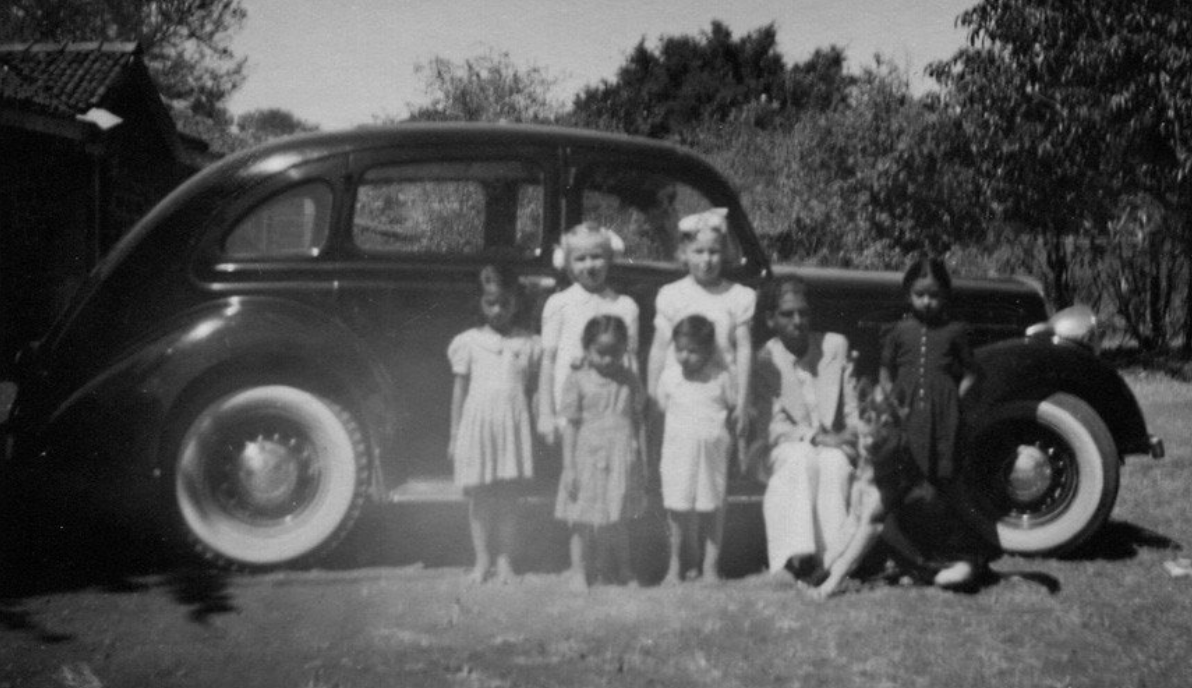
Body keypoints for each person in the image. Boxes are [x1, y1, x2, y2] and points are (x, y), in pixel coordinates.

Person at [876, 255, 983, 588]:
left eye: (934, 295)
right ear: (909, 294)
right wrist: (891, 399)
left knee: (935, 488)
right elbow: (884, 371)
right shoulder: (899, 331)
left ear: (945, 296)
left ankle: (939, 556)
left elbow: (971, 374)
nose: (927, 301)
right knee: (905, 487)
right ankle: (903, 558)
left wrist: (953, 399)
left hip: (941, 424)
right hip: (906, 420)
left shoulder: (955, 331)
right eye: (920, 294)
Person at [752, 277, 859, 584]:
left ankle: (834, 561)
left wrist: (852, 437)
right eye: (787, 314)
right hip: (786, 446)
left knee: (834, 462)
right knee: (801, 457)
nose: (798, 321)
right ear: (771, 319)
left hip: (835, 444)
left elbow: (851, 408)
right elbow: (773, 426)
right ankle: (794, 560)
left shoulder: (834, 346)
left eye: (804, 313)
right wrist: (817, 438)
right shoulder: (765, 359)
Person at [447, 265, 541, 584]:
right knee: (479, 498)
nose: (498, 310)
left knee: (508, 498)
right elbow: (459, 390)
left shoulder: (528, 343)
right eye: (491, 303)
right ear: (480, 304)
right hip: (478, 427)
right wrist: (454, 434)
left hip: (511, 429)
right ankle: (481, 559)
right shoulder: (468, 342)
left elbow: (535, 390)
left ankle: (505, 560)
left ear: (516, 303)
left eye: (505, 303)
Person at [647, 207, 756, 477]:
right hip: (679, 395)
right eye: (698, 252)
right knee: (679, 469)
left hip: (719, 396)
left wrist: (742, 401)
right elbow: (659, 348)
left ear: (725, 253)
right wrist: (652, 394)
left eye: (713, 252)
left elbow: (743, 350)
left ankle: (714, 518)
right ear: (684, 253)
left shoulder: (738, 296)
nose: (706, 260)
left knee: (715, 472)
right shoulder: (672, 295)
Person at [554, 315, 647, 590]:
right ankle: (579, 570)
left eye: (615, 353)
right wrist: (569, 467)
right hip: (587, 457)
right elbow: (570, 427)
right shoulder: (578, 380)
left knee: (617, 518)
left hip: (620, 456)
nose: (608, 360)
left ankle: (621, 570)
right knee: (581, 518)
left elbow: (638, 420)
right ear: (586, 348)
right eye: (600, 353)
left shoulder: (629, 380)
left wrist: (641, 459)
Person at [538, 222, 639, 445]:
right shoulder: (559, 304)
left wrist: (634, 412)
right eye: (580, 259)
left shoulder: (625, 306)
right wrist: (546, 413)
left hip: (612, 408)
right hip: (571, 405)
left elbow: (631, 362)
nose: (590, 265)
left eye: (597, 256)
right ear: (568, 264)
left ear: (610, 259)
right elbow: (548, 361)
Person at [656, 315, 736, 583]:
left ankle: (710, 566)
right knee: (678, 510)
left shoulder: (721, 378)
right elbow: (662, 406)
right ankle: (675, 565)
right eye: (679, 349)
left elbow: (732, 407)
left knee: (712, 509)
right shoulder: (670, 378)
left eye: (693, 350)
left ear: (709, 350)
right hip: (679, 455)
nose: (685, 356)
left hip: (711, 456)